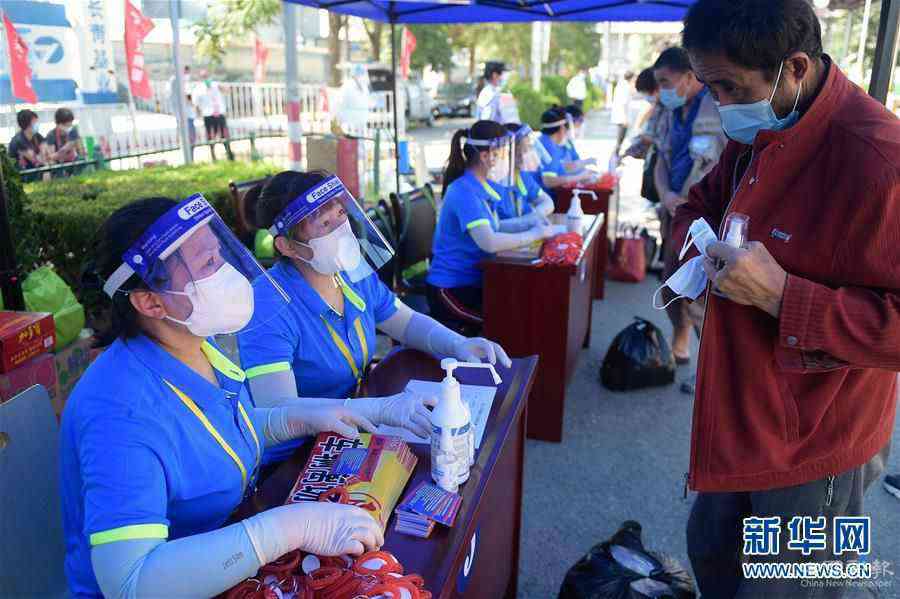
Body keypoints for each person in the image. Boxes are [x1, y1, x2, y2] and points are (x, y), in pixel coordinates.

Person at [61, 195, 433, 597]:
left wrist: (301, 418)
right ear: (149, 301)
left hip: (228, 556)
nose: (225, 274)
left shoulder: (194, 345)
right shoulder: (118, 414)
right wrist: (284, 529)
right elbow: (133, 581)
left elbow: (207, 435)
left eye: (219, 256)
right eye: (207, 266)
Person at [671, 1, 900, 596]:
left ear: (794, 67)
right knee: (715, 561)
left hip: (816, 445)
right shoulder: (762, 128)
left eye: (729, 87)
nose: (720, 105)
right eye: (709, 86)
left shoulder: (880, 162)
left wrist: (784, 297)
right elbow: (699, 205)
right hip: (735, 417)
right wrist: (695, 258)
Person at [237, 169, 511, 462]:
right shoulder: (266, 305)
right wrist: (379, 410)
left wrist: (456, 344)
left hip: (355, 424)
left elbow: (404, 322)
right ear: (288, 246)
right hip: (296, 456)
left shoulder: (348, 272)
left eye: (341, 214)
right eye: (325, 224)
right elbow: (280, 410)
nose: (341, 230)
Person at [426, 120, 564, 331]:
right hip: (450, 290)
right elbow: (489, 242)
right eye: (503, 153)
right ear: (485, 156)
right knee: (506, 321)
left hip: (473, 282)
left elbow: (497, 226)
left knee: (521, 307)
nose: (506, 159)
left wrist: (531, 223)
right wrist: (533, 233)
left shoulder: (480, 186)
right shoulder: (464, 191)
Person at [653, 47, 726, 369]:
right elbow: (660, 160)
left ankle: (710, 370)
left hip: (706, 221)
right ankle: (680, 339)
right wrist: (666, 194)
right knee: (671, 283)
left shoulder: (721, 108)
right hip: (673, 215)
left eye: (665, 81)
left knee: (702, 295)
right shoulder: (671, 113)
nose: (662, 90)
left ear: (689, 76)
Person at [498, 123, 555, 221]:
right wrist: (525, 223)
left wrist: (534, 216)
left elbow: (548, 202)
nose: (530, 152)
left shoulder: (521, 175)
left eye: (530, 147)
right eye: (526, 149)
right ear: (509, 152)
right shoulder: (496, 180)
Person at [536, 107, 595, 195]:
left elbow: (559, 167)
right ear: (561, 128)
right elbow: (548, 181)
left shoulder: (544, 141)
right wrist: (578, 177)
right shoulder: (549, 147)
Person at [193, 69, 234, 161]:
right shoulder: (198, 89)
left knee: (224, 135)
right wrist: (198, 116)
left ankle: (229, 155)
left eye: (207, 76)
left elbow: (227, 91)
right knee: (211, 137)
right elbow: (195, 104)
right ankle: (213, 157)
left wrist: (221, 86)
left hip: (219, 114)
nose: (206, 78)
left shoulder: (216, 85)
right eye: (204, 77)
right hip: (208, 115)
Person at [45, 107, 86, 176]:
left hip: (72, 162)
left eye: (70, 123)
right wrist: (65, 149)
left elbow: (81, 151)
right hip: (59, 165)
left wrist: (79, 146)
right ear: (59, 124)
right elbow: (52, 156)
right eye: (67, 125)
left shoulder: (73, 132)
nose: (69, 126)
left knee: (81, 160)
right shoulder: (51, 135)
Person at [7, 109, 47, 179]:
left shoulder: (37, 136)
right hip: (23, 176)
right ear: (28, 124)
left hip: (36, 172)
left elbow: (46, 152)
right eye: (35, 122)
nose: (37, 124)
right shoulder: (18, 140)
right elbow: (36, 159)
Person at [338, 64, 372, 137]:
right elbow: (341, 102)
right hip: (350, 121)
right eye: (362, 74)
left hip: (361, 120)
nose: (364, 76)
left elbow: (367, 100)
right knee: (351, 142)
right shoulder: (348, 85)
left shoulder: (364, 86)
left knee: (361, 142)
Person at [561, 105, 598, 173]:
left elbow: (576, 161)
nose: (582, 124)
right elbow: (561, 169)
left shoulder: (569, 143)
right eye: (580, 120)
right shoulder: (557, 143)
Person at [610, 71, 634, 157]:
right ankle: (615, 157)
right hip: (622, 117)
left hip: (619, 115)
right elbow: (623, 103)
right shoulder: (625, 87)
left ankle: (616, 156)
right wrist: (625, 118)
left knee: (620, 138)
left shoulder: (621, 85)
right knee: (620, 139)